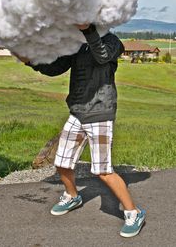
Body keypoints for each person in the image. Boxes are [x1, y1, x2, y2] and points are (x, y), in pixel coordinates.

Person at [16, 23, 146, 238]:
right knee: (62, 162)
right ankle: (72, 196)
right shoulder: (78, 44)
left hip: (100, 112)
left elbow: (102, 55)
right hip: (77, 112)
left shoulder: (113, 42)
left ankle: (133, 212)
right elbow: (56, 67)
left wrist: (87, 30)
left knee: (103, 171)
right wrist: (30, 61)